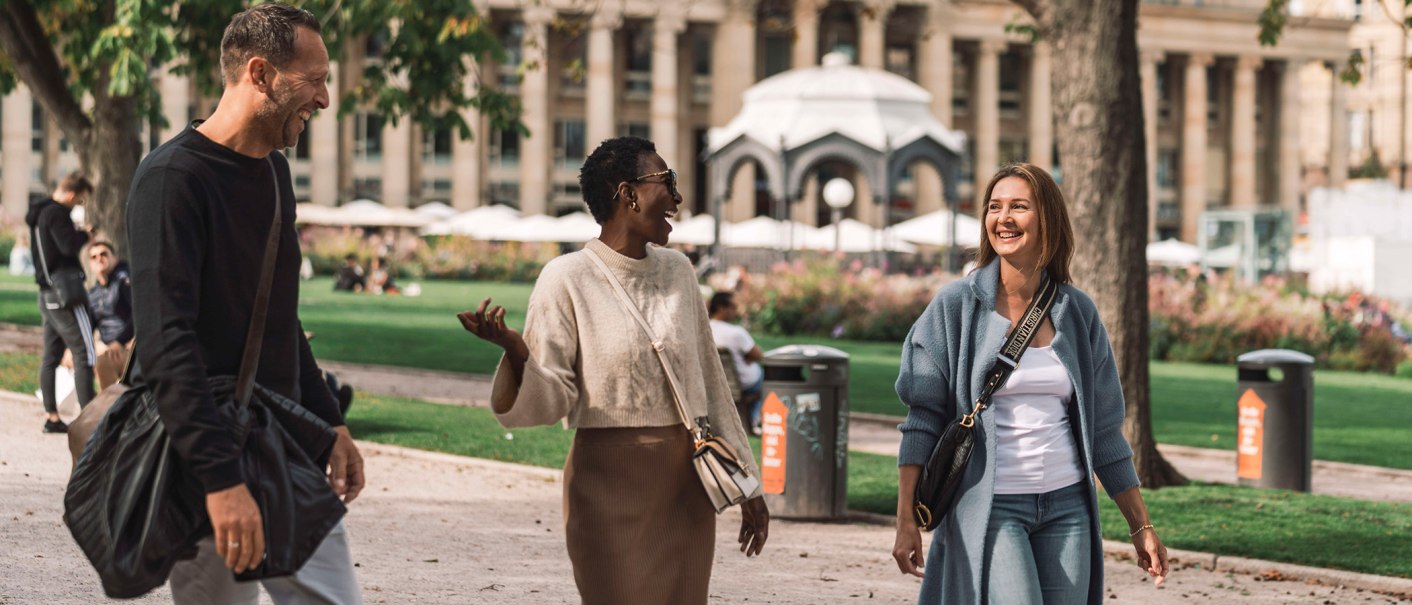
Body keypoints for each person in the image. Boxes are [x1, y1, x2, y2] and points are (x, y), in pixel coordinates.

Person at [458, 136, 769, 605]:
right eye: (668, 182)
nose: (678, 198)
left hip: (686, 487)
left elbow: (710, 380)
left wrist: (749, 483)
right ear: (629, 193)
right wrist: (518, 352)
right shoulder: (566, 278)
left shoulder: (680, 272)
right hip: (605, 487)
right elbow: (555, 395)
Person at [125, 4, 364, 603]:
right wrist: (221, 481)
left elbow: (280, 320)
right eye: (314, 80)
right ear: (260, 73)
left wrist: (329, 419)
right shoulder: (171, 178)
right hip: (207, 460)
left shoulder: (276, 174)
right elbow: (165, 345)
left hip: (283, 446)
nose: (325, 99)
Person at [891, 163, 1169, 604]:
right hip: (992, 507)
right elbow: (922, 418)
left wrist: (1141, 527)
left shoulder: (1077, 312)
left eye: (1019, 206)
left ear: (1047, 221)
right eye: (994, 207)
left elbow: (1104, 431)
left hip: (1069, 508)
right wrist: (907, 517)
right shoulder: (955, 307)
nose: (1004, 218)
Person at [26, 172, 97, 433]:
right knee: (84, 351)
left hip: (46, 293)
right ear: (70, 194)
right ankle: (90, 420)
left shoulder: (38, 213)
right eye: (79, 200)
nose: (77, 204)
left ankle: (52, 417)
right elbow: (67, 246)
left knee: (51, 355)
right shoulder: (57, 213)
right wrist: (84, 235)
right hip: (65, 294)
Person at [708, 291, 765, 433]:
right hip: (743, 384)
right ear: (722, 308)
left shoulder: (704, 329)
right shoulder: (736, 332)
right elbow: (758, 355)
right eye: (733, 307)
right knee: (766, 377)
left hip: (714, 383)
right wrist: (749, 357)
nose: (735, 311)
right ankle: (756, 420)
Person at [85, 241, 134, 390]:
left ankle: (111, 409)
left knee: (103, 363)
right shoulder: (92, 294)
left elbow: (138, 316)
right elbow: (87, 327)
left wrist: (120, 341)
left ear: (115, 258)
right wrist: (71, 350)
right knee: (87, 361)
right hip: (106, 348)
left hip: (127, 346)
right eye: (94, 257)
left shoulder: (124, 281)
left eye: (103, 254)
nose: (99, 258)